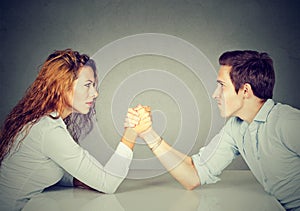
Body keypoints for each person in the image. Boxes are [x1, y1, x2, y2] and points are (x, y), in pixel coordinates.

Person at [129, 50, 300, 210]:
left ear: (245, 90)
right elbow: (193, 175)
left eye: (222, 85)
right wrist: (148, 134)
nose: (215, 94)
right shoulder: (236, 128)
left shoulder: (287, 122)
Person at [0, 49, 151, 211]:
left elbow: (43, 168)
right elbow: (108, 183)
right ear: (62, 86)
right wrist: (131, 132)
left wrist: (77, 180)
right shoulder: (48, 130)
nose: (95, 93)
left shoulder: (44, 121)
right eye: (87, 85)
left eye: (93, 85)